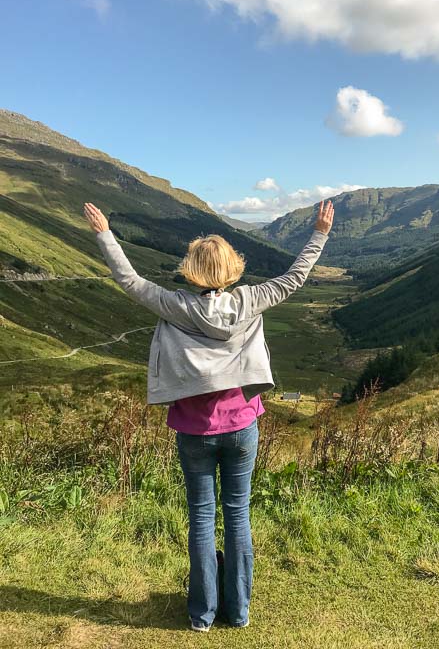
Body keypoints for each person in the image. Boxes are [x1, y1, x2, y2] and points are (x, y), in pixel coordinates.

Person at [83, 199, 335, 631]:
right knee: (238, 514)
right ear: (233, 269)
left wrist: (104, 233)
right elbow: (295, 277)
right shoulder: (251, 300)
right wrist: (319, 233)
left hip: (193, 429)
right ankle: (237, 613)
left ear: (191, 269)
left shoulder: (175, 306)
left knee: (201, 516)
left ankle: (201, 614)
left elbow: (128, 279)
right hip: (242, 426)